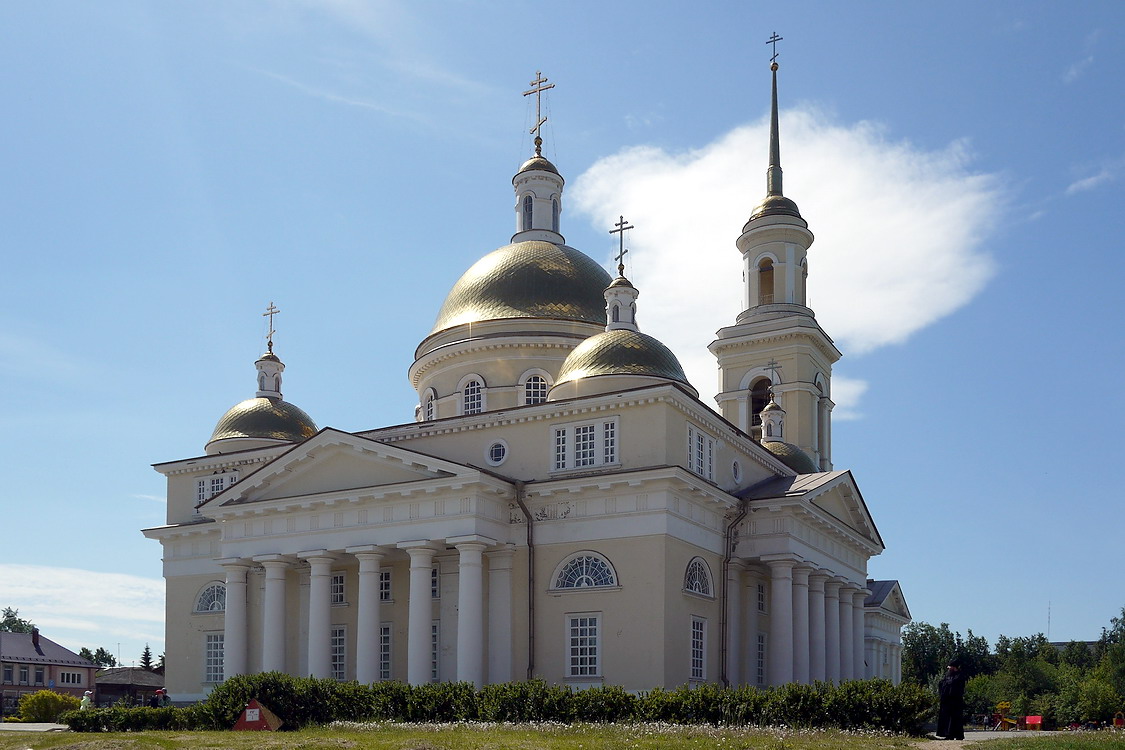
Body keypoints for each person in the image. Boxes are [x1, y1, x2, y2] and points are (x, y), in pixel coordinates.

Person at [937, 658, 968, 740]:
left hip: (955, 701)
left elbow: (956, 686)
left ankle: (957, 735)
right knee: (947, 718)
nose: (949, 669)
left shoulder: (960, 676)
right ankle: (948, 734)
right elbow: (942, 683)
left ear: (954, 667)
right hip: (947, 701)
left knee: (955, 719)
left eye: (950, 667)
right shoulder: (948, 676)